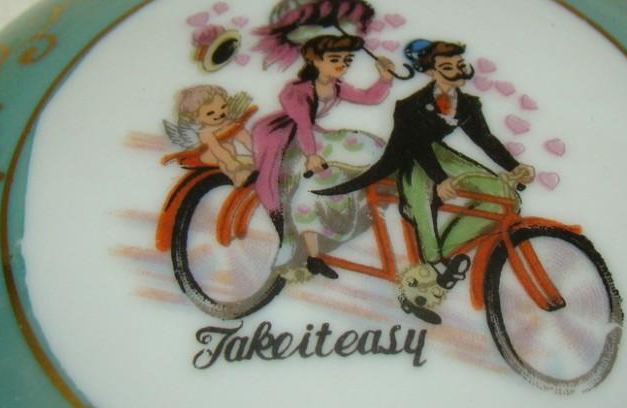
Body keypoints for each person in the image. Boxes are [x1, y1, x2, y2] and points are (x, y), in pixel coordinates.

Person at [316, 39, 535, 324]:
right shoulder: (410, 106)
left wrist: (515, 166)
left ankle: (439, 259)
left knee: (503, 196)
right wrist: (440, 179)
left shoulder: (467, 104)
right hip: (409, 159)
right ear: (431, 71)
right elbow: (415, 145)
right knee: (422, 198)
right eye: (447, 67)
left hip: (440, 154)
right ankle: (431, 263)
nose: (457, 71)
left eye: (459, 65)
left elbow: (485, 139)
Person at [252, 34, 395, 279]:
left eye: (347, 60)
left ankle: (321, 245)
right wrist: (311, 155)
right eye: (335, 59)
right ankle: (306, 247)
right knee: (327, 169)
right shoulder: (297, 91)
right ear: (315, 60)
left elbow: (368, 98)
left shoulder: (336, 85)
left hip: (315, 137)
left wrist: (385, 79)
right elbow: (303, 124)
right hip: (292, 138)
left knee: (366, 150)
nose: (342, 65)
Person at [165, 85, 255, 187]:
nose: (220, 113)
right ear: (196, 118)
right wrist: (232, 163)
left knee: (239, 136)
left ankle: (255, 157)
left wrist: (254, 148)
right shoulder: (205, 133)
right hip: (211, 156)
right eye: (210, 113)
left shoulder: (228, 123)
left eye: (223, 107)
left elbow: (244, 137)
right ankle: (237, 177)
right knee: (227, 147)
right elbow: (216, 150)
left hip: (229, 154)